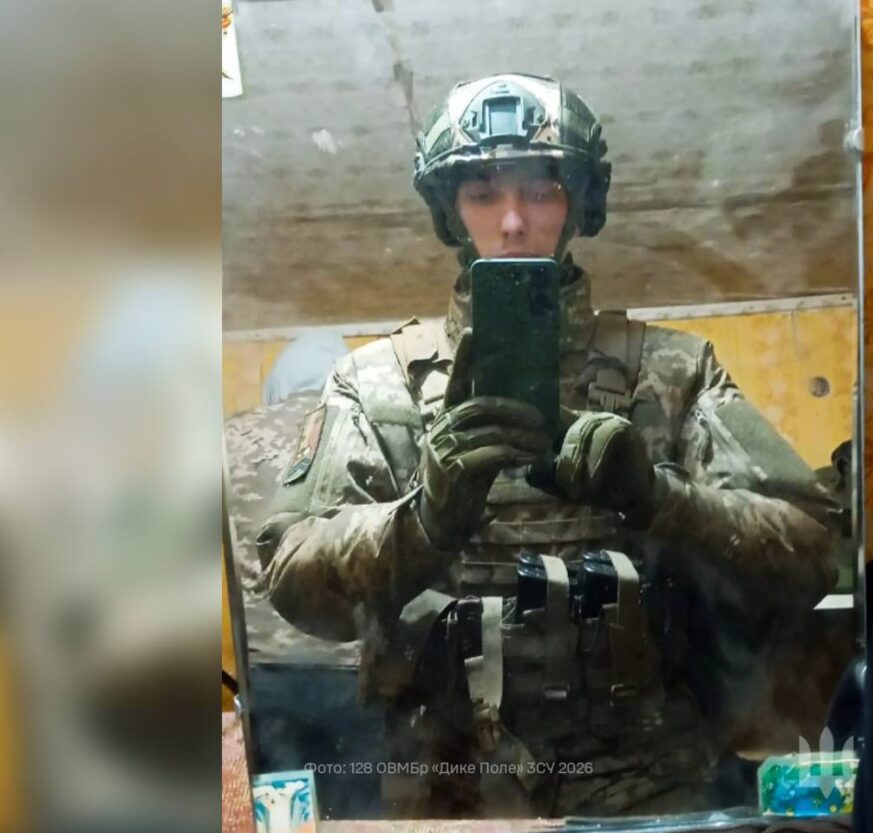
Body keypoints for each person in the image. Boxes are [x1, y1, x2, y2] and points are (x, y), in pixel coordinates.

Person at [256, 73, 837, 818]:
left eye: (540, 190)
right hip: (446, 780)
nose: (511, 222)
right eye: (482, 194)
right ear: (449, 211)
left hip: (642, 776)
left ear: (580, 204)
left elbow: (812, 553)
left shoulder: (673, 371)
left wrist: (659, 498)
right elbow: (294, 581)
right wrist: (424, 522)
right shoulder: (377, 386)